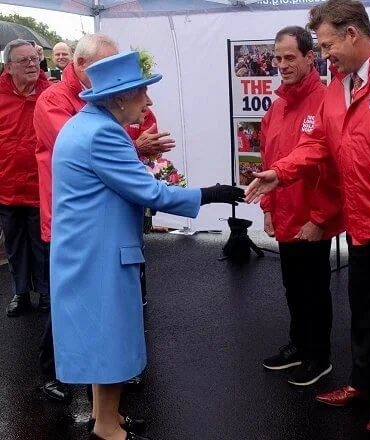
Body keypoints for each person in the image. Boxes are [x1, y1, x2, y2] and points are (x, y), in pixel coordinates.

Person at [245, 0, 370, 432]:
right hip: (361, 224)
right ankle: (363, 385)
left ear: (353, 34)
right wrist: (280, 173)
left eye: (327, 44)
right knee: (364, 311)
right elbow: (316, 145)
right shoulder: (339, 86)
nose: (325, 54)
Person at [50, 51, 244, 440]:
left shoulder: (83, 125)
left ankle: (106, 416)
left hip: (86, 251)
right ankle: (106, 428)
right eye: (143, 93)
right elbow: (151, 192)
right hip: (99, 255)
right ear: (120, 98)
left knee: (103, 337)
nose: (150, 102)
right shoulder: (104, 133)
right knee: (111, 339)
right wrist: (213, 193)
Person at [34, 34, 174, 404]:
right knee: (77, 314)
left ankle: (107, 401)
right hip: (79, 225)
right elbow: (93, 153)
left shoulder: (102, 107)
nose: (114, 72)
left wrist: (142, 147)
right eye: (106, 65)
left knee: (106, 316)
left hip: (100, 221)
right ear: (82, 65)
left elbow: (142, 128)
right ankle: (60, 377)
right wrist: (137, 148)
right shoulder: (55, 101)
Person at [260, 26, 342, 386]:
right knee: (293, 286)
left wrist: (320, 219)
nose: (282, 64)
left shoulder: (327, 101)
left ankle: (318, 355)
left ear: (312, 58)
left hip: (311, 219)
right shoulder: (276, 107)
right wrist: (267, 209)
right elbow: (268, 161)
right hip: (284, 214)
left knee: (314, 288)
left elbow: (334, 167)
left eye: (290, 57)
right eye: (278, 58)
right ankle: (299, 343)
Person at [0, 39, 50, 318]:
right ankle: (20, 293)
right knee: (15, 245)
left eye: (34, 59)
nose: (33, 64)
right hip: (6, 186)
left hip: (39, 187)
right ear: (8, 67)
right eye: (24, 61)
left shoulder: (49, 93)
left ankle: (45, 292)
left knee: (42, 243)